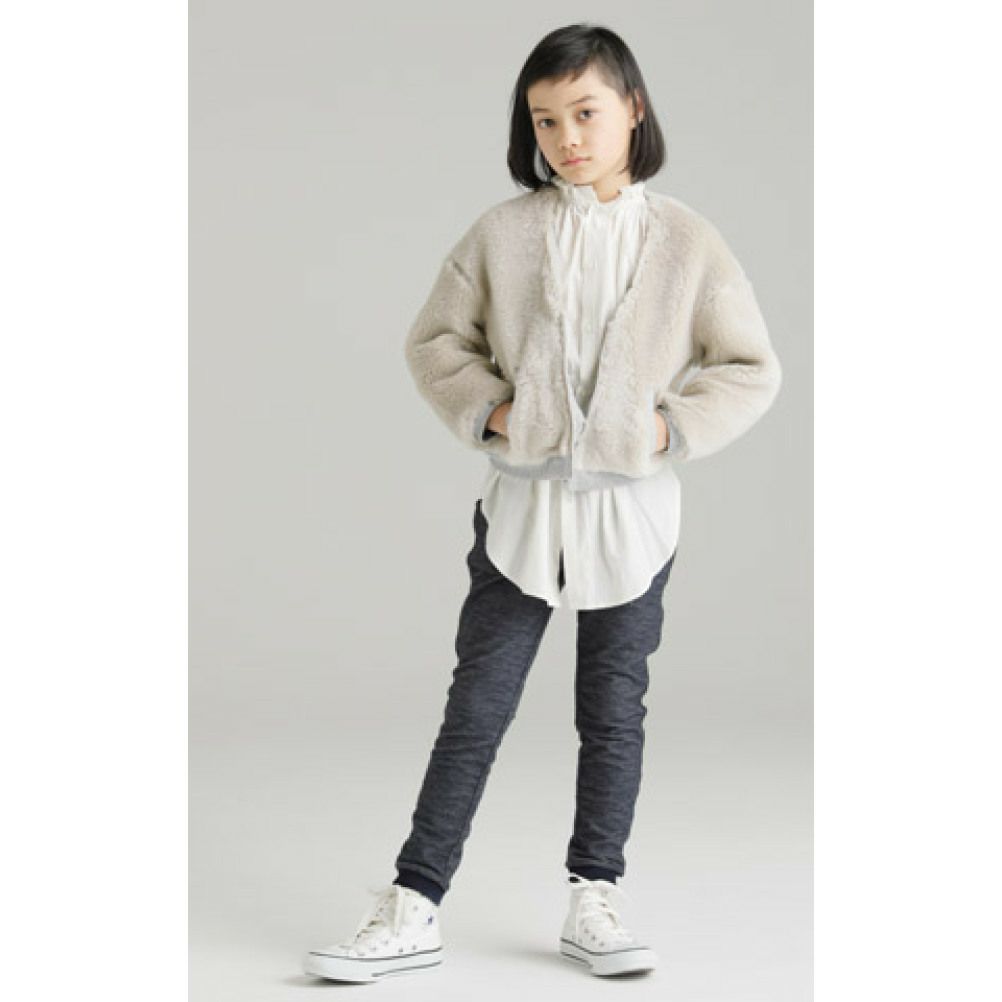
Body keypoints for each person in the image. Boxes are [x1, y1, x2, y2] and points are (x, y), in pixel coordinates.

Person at [303, 21, 782, 983]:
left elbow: (748, 367)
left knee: (613, 713)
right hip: (522, 515)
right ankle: (414, 903)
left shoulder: (685, 241)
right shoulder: (503, 234)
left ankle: (594, 899)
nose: (567, 137)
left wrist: (663, 432)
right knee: (476, 709)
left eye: (586, 113)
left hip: (633, 518)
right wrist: (493, 414)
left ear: (633, 110)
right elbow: (436, 342)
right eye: (546, 119)